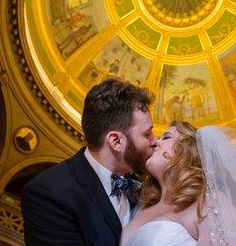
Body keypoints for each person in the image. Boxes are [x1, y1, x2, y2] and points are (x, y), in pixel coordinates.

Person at [21, 78, 157, 246]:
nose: (154, 140)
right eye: (147, 134)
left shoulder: (138, 187)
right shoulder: (49, 195)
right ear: (116, 142)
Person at [121, 121, 236, 246]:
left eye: (166, 137)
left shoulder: (208, 204)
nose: (155, 143)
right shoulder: (136, 208)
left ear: (187, 150)